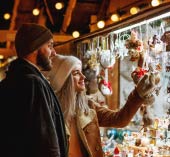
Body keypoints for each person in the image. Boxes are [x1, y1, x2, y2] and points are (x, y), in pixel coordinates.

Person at [45, 54, 158, 157]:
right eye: (75, 73)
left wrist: (138, 95)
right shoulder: (49, 112)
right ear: (63, 80)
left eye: (81, 71)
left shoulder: (88, 106)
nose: (83, 76)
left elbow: (119, 119)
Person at [0, 23, 68, 157]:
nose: (53, 52)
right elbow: (45, 139)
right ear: (35, 47)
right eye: (49, 46)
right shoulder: (32, 82)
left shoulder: (11, 80)